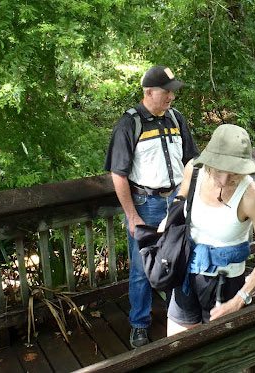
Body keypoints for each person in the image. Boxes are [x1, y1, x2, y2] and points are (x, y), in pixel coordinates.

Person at [104, 65, 199, 348]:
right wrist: (132, 216)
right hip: (146, 205)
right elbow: (118, 174)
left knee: (179, 257)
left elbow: (191, 161)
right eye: (166, 92)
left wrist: (186, 197)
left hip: (177, 201)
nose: (171, 97)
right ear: (149, 92)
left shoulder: (176, 119)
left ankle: (176, 315)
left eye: (173, 92)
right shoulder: (129, 124)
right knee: (142, 268)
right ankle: (139, 324)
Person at [166, 124, 255, 336]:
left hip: (225, 284)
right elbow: (181, 199)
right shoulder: (195, 170)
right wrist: (168, 221)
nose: (225, 180)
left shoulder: (252, 197)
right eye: (219, 170)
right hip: (186, 275)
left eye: (234, 173)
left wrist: (240, 299)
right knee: (176, 349)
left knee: (218, 355)